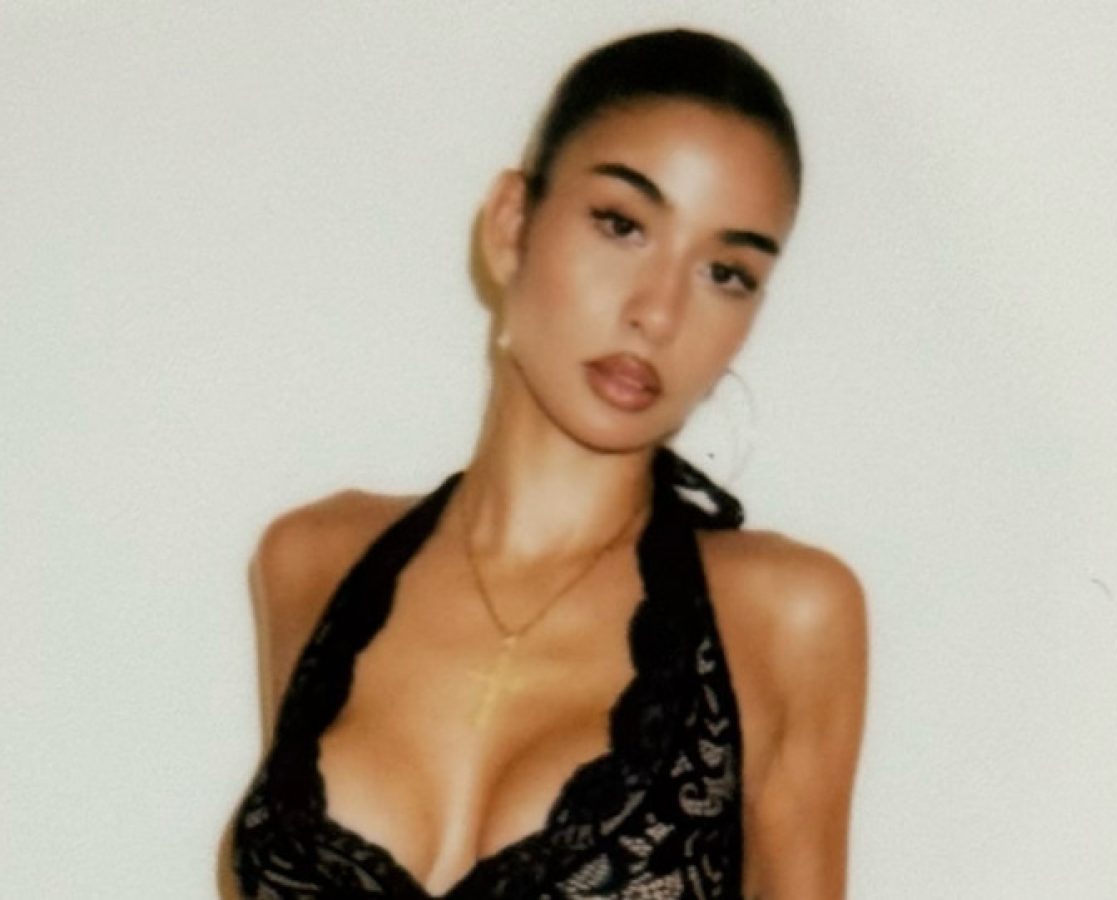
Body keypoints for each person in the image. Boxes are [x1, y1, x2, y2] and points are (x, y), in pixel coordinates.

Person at [226, 27, 868, 900]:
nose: (658, 313)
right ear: (511, 225)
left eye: (726, 272)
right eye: (622, 225)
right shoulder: (311, 561)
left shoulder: (786, 618)